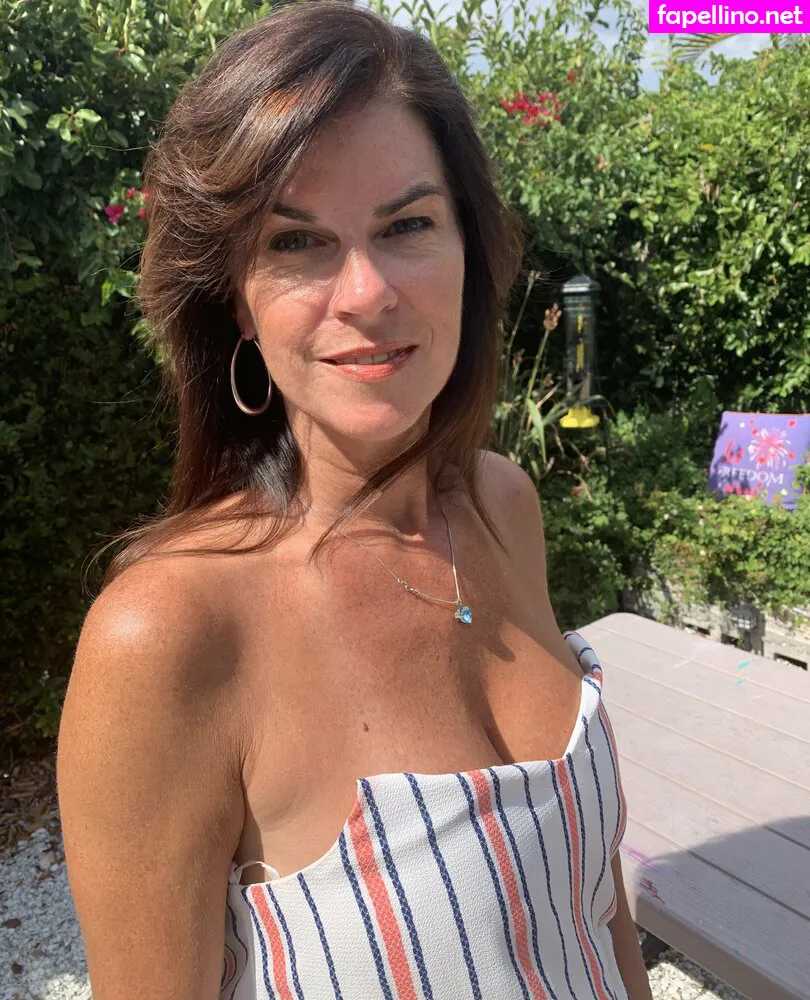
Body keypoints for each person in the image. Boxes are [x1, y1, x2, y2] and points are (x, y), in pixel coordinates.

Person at [56, 2, 652, 998]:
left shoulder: (503, 505)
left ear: (468, 250)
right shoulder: (171, 635)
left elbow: (595, 904)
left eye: (407, 224)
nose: (366, 292)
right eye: (298, 243)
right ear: (236, 297)